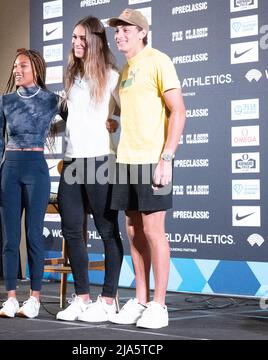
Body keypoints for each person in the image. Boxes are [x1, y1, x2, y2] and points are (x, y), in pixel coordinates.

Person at [107, 9, 186, 329]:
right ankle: (140, 299)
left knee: (154, 231)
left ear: (142, 32)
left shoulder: (158, 60)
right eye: (117, 31)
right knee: (133, 231)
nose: (119, 35)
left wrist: (166, 158)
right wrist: (113, 120)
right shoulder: (126, 69)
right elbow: (130, 111)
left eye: (126, 30)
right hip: (126, 160)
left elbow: (178, 111)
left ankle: (159, 304)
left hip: (154, 159)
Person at [55, 16, 123, 323]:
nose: (76, 43)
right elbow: (67, 121)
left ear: (95, 40)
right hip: (71, 162)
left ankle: (108, 299)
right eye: (73, 38)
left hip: (99, 162)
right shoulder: (71, 77)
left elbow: (126, 112)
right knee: (71, 231)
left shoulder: (111, 77)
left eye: (82, 38)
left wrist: (116, 121)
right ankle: (82, 298)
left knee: (107, 232)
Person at [0, 49, 63, 319]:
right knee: (10, 239)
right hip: (10, 170)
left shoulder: (52, 100)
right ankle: (10, 299)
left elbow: (75, 123)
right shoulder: (4, 101)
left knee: (33, 235)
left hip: (37, 170)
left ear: (36, 69)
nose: (16, 70)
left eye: (22, 66)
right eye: (14, 66)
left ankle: (33, 299)